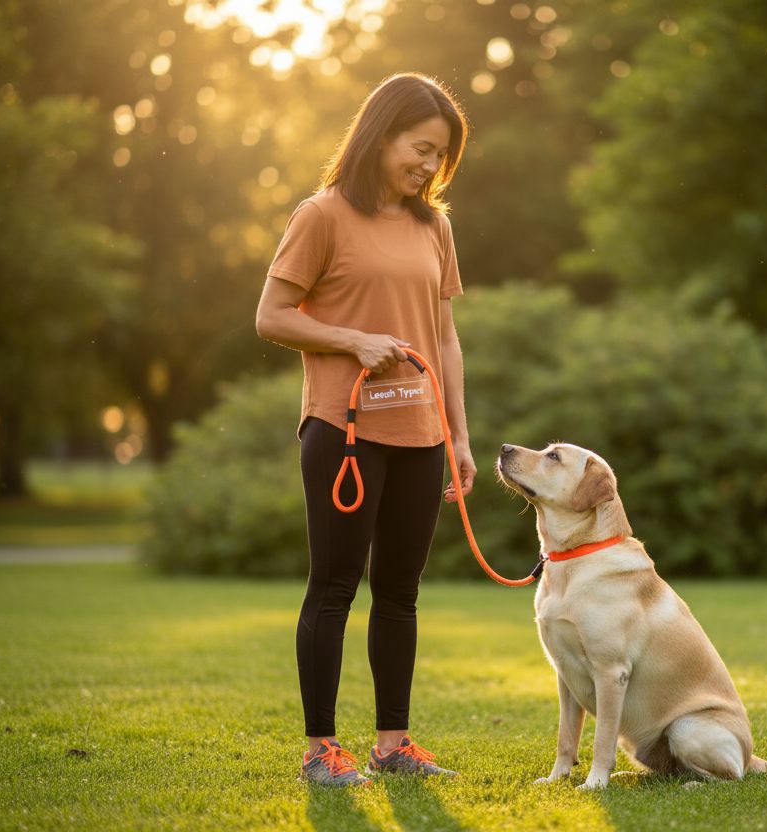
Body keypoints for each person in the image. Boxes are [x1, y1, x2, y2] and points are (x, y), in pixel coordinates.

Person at [255, 73, 475, 786]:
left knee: (401, 592)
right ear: (380, 137)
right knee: (334, 586)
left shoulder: (433, 226)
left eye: (440, 156)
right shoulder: (320, 216)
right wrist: (353, 340)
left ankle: (392, 743)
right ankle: (321, 748)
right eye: (421, 148)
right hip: (342, 431)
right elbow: (272, 316)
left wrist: (460, 438)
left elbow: (444, 340)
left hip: (420, 430)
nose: (429, 167)